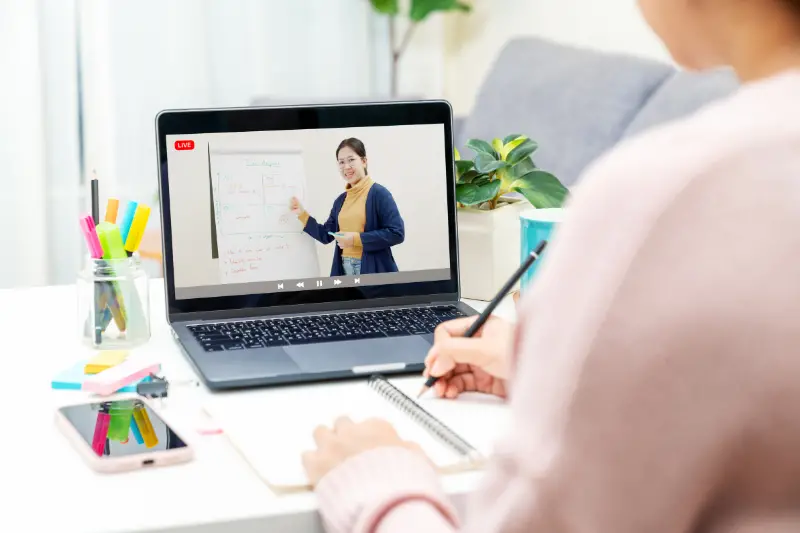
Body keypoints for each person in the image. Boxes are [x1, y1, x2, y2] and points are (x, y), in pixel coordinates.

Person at [301, 1, 800, 532]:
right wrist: (553, 375)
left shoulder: (661, 194)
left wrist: (374, 482)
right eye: (341, 164)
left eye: (351, 160)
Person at [290, 138, 404, 277]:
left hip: (373, 269)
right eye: (341, 162)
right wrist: (301, 214)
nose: (346, 167)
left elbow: (396, 233)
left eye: (351, 160)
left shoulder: (379, 194)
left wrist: (354, 239)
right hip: (344, 268)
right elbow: (326, 235)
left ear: (363, 161)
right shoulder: (341, 201)